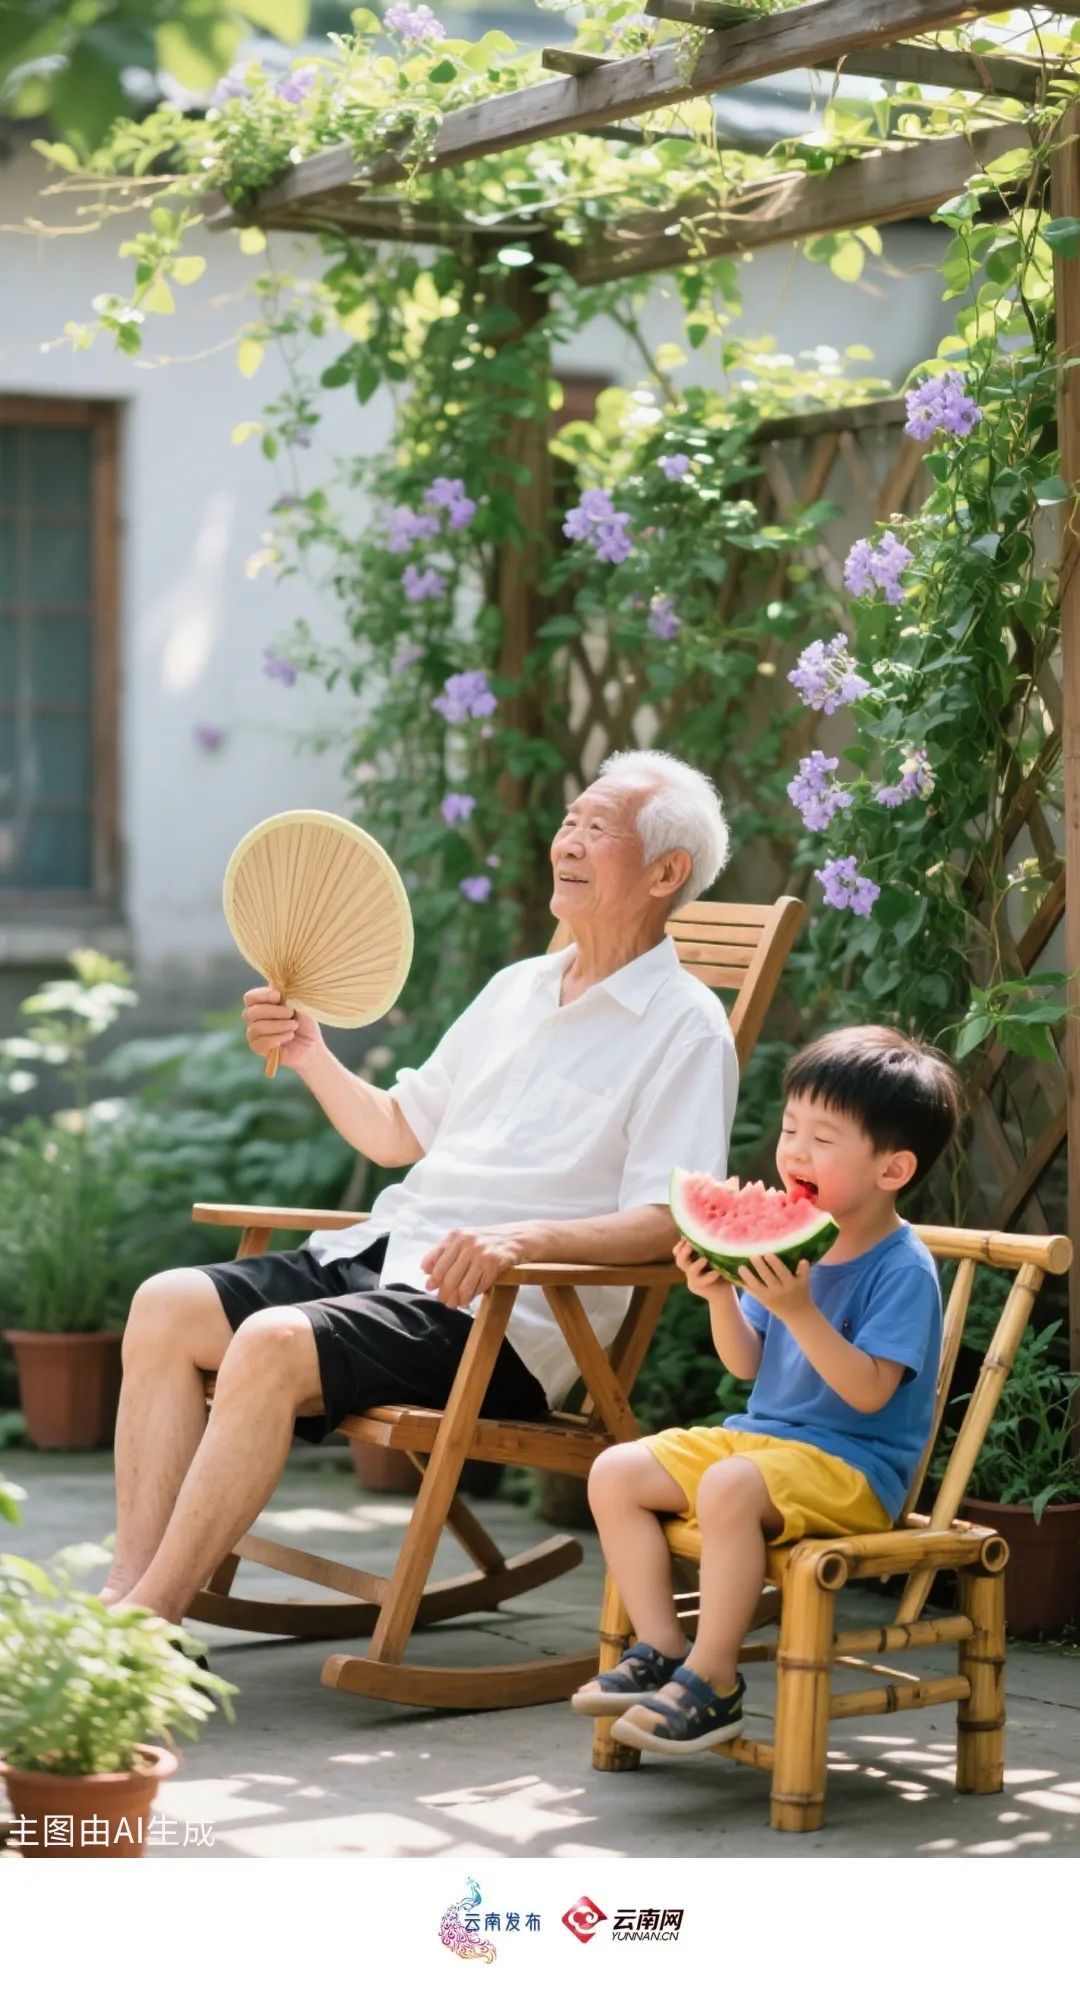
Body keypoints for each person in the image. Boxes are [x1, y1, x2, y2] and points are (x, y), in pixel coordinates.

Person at [100, 749, 738, 1628]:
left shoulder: (687, 1028)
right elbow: (399, 1131)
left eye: (599, 828)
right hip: (388, 1258)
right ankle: (123, 1592)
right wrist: (306, 1050)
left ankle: (152, 1624)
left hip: (500, 1313)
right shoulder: (517, 988)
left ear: (667, 871)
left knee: (274, 1342)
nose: (569, 841)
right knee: (166, 1302)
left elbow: (668, 1219)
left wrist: (524, 1241)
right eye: (568, 821)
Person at [572, 1024, 961, 1756]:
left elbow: (871, 1392)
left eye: (823, 1137)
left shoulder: (903, 1267)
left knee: (727, 1487)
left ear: (892, 1167)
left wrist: (800, 1310)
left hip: (856, 1466)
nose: (794, 1152)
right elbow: (745, 1367)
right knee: (615, 1471)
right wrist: (720, 1295)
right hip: (764, 1444)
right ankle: (660, 1645)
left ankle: (714, 1680)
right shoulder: (786, 1245)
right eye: (790, 1129)